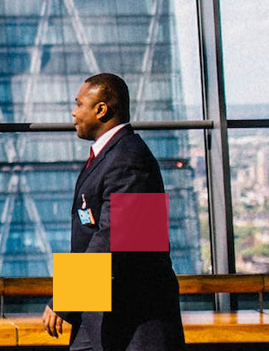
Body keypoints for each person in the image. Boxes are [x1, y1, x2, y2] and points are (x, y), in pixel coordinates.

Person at [42, 73, 185, 351]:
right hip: (102, 315)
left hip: (134, 322)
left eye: (79, 104)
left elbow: (116, 239)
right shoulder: (114, 156)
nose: (74, 113)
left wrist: (65, 298)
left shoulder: (130, 158)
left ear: (101, 109)